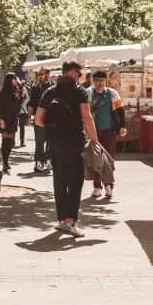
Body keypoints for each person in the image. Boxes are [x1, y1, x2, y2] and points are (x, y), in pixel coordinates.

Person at [36, 60, 99, 237]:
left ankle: (61, 220)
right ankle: (71, 221)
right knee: (75, 181)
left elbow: (39, 120)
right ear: (71, 73)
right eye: (79, 74)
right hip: (74, 142)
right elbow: (87, 117)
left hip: (55, 143)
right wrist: (95, 140)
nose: (79, 78)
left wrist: (54, 128)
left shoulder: (50, 91)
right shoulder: (79, 92)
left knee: (59, 181)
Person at [88, 70, 127, 199]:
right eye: (97, 80)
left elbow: (121, 110)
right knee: (96, 160)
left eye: (102, 81)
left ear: (105, 81)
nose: (100, 83)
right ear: (93, 81)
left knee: (109, 159)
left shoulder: (112, 93)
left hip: (110, 131)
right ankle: (97, 187)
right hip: (94, 132)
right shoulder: (88, 93)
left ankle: (109, 186)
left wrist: (122, 126)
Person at [0, 73, 24, 174]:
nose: (16, 80)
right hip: (5, 119)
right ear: (9, 80)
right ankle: (5, 162)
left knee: (10, 141)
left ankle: (6, 160)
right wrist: (1, 119)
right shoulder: (3, 92)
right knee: (6, 140)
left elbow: (19, 104)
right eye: (14, 78)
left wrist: (20, 92)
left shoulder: (16, 91)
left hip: (13, 119)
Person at [27, 67, 53, 173]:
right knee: (39, 141)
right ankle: (38, 162)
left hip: (51, 118)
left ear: (48, 74)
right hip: (38, 116)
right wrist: (30, 110)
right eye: (39, 75)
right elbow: (32, 101)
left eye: (42, 74)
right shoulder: (35, 87)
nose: (40, 76)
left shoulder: (53, 87)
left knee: (50, 141)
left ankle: (47, 160)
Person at [16, 81, 30, 148]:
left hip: (17, 110)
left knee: (15, 126)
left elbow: (27, 98)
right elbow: (28, 98)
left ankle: (13, 142)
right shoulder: (23, 88)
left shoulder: (16, 88)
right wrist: (23, 104)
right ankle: (21, 142)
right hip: (21, 110)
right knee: (21, 127)